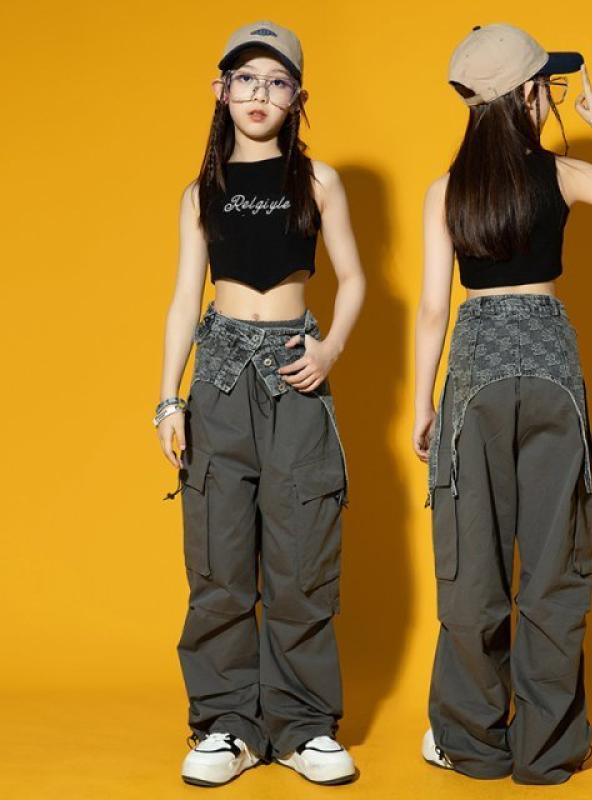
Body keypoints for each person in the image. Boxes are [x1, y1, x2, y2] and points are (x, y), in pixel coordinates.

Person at [413, 23, 592, 785]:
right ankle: (547, 750)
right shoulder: (563, 174)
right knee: (554, 567)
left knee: (473, 566)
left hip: (474, 373)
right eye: (550, 86)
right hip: (552, 371)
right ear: (528, 94)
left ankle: (472, 743)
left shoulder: (446, 191)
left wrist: (421, 404)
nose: (556, 98)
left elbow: (433, 309)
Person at [154, 20, 365, 787]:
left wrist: (330, 350)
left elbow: (356, 278)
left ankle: (304, 725)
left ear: (298, 98)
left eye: (276, 81)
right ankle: (226, 725)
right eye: (246, 78)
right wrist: (167, 400)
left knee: (301, 556)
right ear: (221, 90)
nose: (259, 93)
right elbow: (185, 298)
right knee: (218, 559)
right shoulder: (199, 193)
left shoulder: (319, 181)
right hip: (216, 380)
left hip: (294, 373)